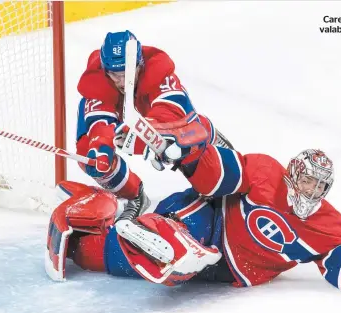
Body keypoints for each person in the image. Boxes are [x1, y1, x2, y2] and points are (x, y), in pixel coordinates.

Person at [45, 142, 341, 297]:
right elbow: (216, 176)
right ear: (292, 174)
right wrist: (185, 152)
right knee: (100, 254)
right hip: (209, 220)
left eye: (318, 186)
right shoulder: (263, 172)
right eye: (306, 181)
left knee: (122, 261)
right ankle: (148, 230)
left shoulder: (327, 227)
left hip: (229, 272)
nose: (310, 191)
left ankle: (140, 236)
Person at [74, 29, 233, 216]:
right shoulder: (98, 79)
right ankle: (133, 197)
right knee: (90, 155)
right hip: (124, 116)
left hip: (160, 115)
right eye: (114, 74)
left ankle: (216, 152)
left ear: (139, 63)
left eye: (126, 73)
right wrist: (102, 146)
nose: (121, 81)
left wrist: (150, 131)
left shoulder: (158, 71)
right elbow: (100, 123)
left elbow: (172, 111)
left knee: (181, 141)